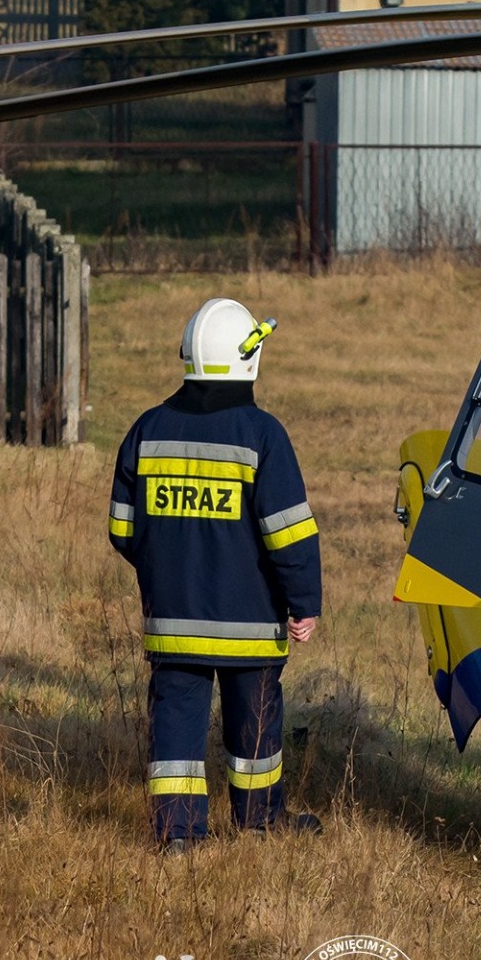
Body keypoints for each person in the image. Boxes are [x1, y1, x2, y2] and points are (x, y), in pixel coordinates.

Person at [109, 297, 323, 853]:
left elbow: (123, 530)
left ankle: (178, 836)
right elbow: (289, 535)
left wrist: (168, 570)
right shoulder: (263, 435)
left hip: (172, 622)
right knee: (255, 726)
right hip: (250, 626)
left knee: (176, 729)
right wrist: (304, 603)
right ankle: (260, 823)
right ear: (248, 358)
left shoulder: (146, 430)